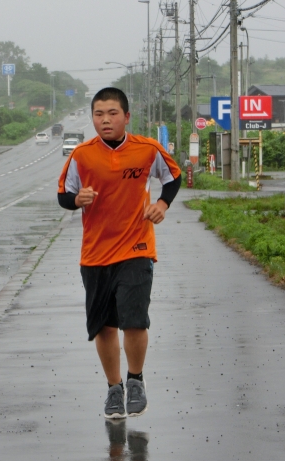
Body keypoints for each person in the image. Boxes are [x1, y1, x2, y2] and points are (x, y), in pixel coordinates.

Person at [57, 87, 181, 420]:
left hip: (136, 248)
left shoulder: (147, 150)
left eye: (112, 113)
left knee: (134, 321)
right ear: (92, 119)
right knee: (105, 327)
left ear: (126, 117)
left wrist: (161, 204)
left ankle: (135, 380)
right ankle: (114, 389)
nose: (106, 120)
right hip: (95, 254)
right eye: (99, 114)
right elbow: (64, 195)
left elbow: (173, 177)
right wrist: (77, 200)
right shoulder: (82, 155)